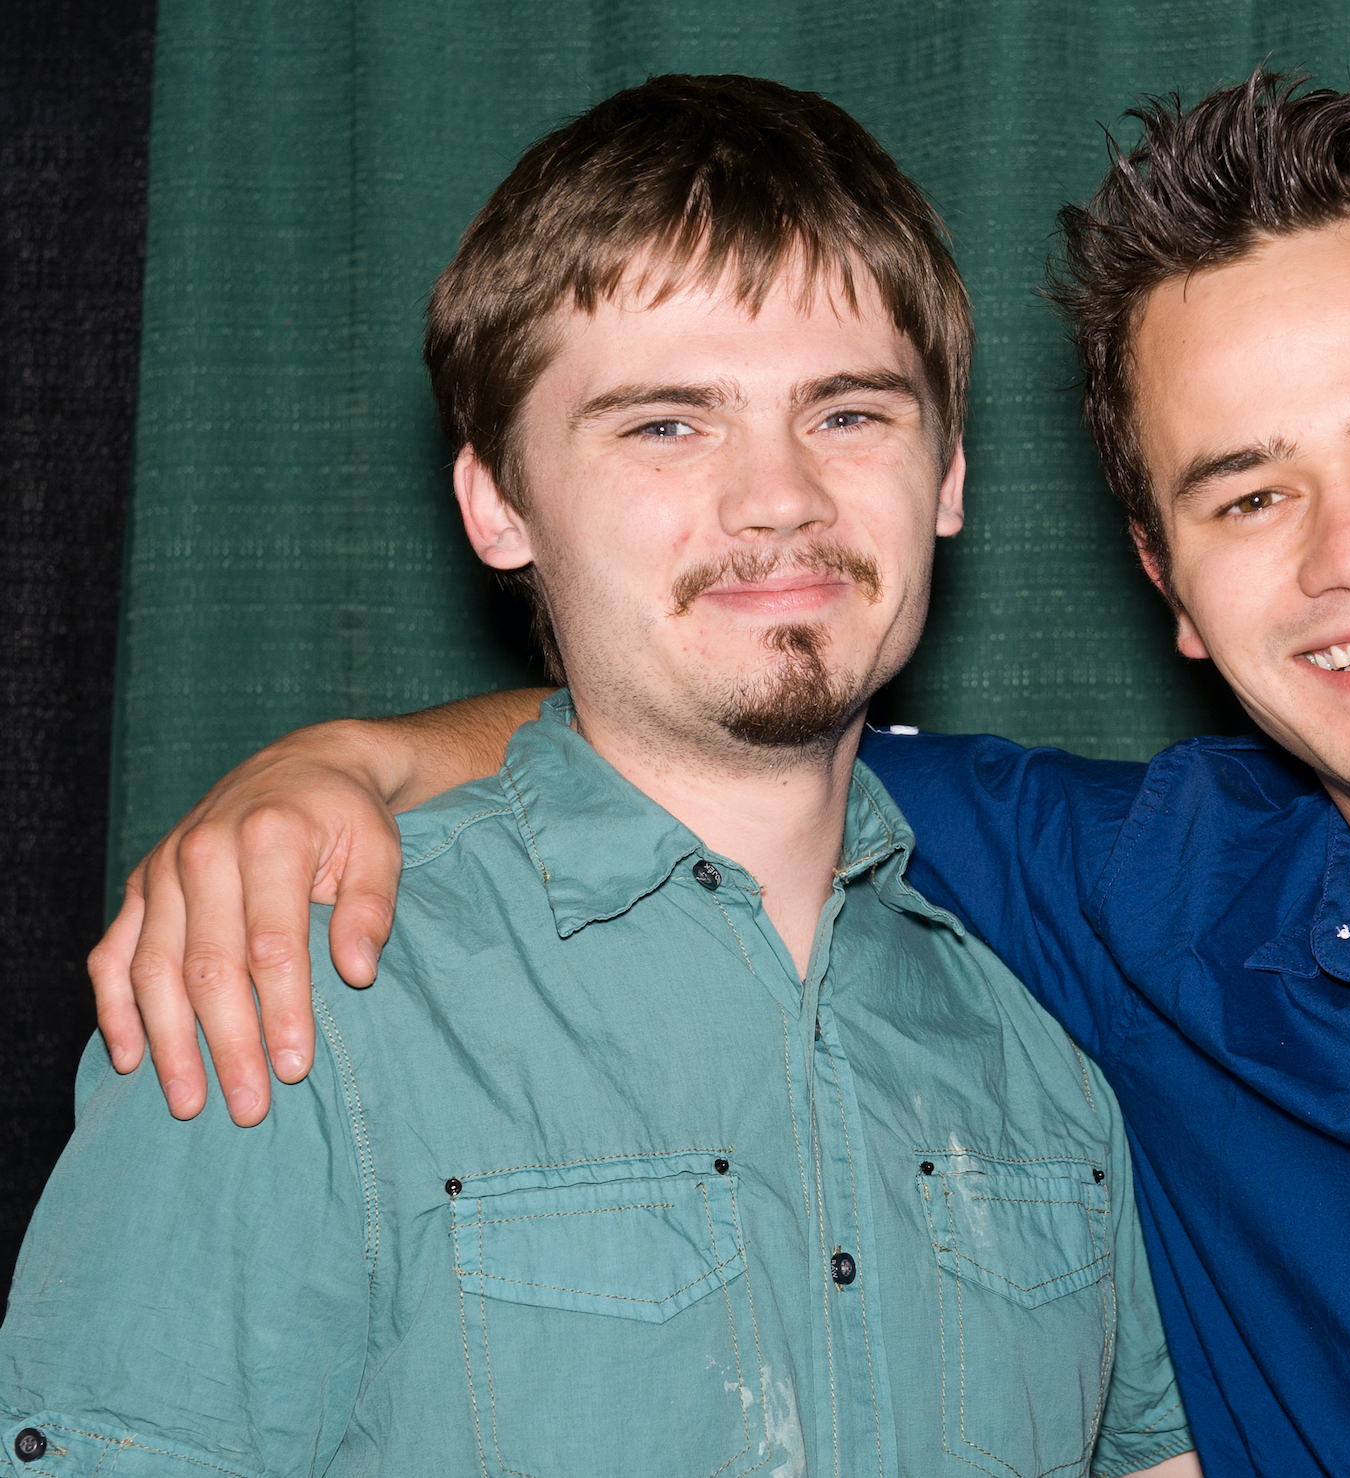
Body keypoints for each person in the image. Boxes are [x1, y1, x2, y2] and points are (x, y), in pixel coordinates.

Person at [87, 71, 1350, 1477]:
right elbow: (735, 714)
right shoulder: (1135, 902)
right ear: (1167, 582)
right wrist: (337, 762)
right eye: (1247, 493)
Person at [1, 74, 1200, 1478]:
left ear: (946, 477)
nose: (779, 496)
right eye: (666, 424)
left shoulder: (1050, 1015)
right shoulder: (294, 992)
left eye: (849, 414)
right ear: (497, 503)